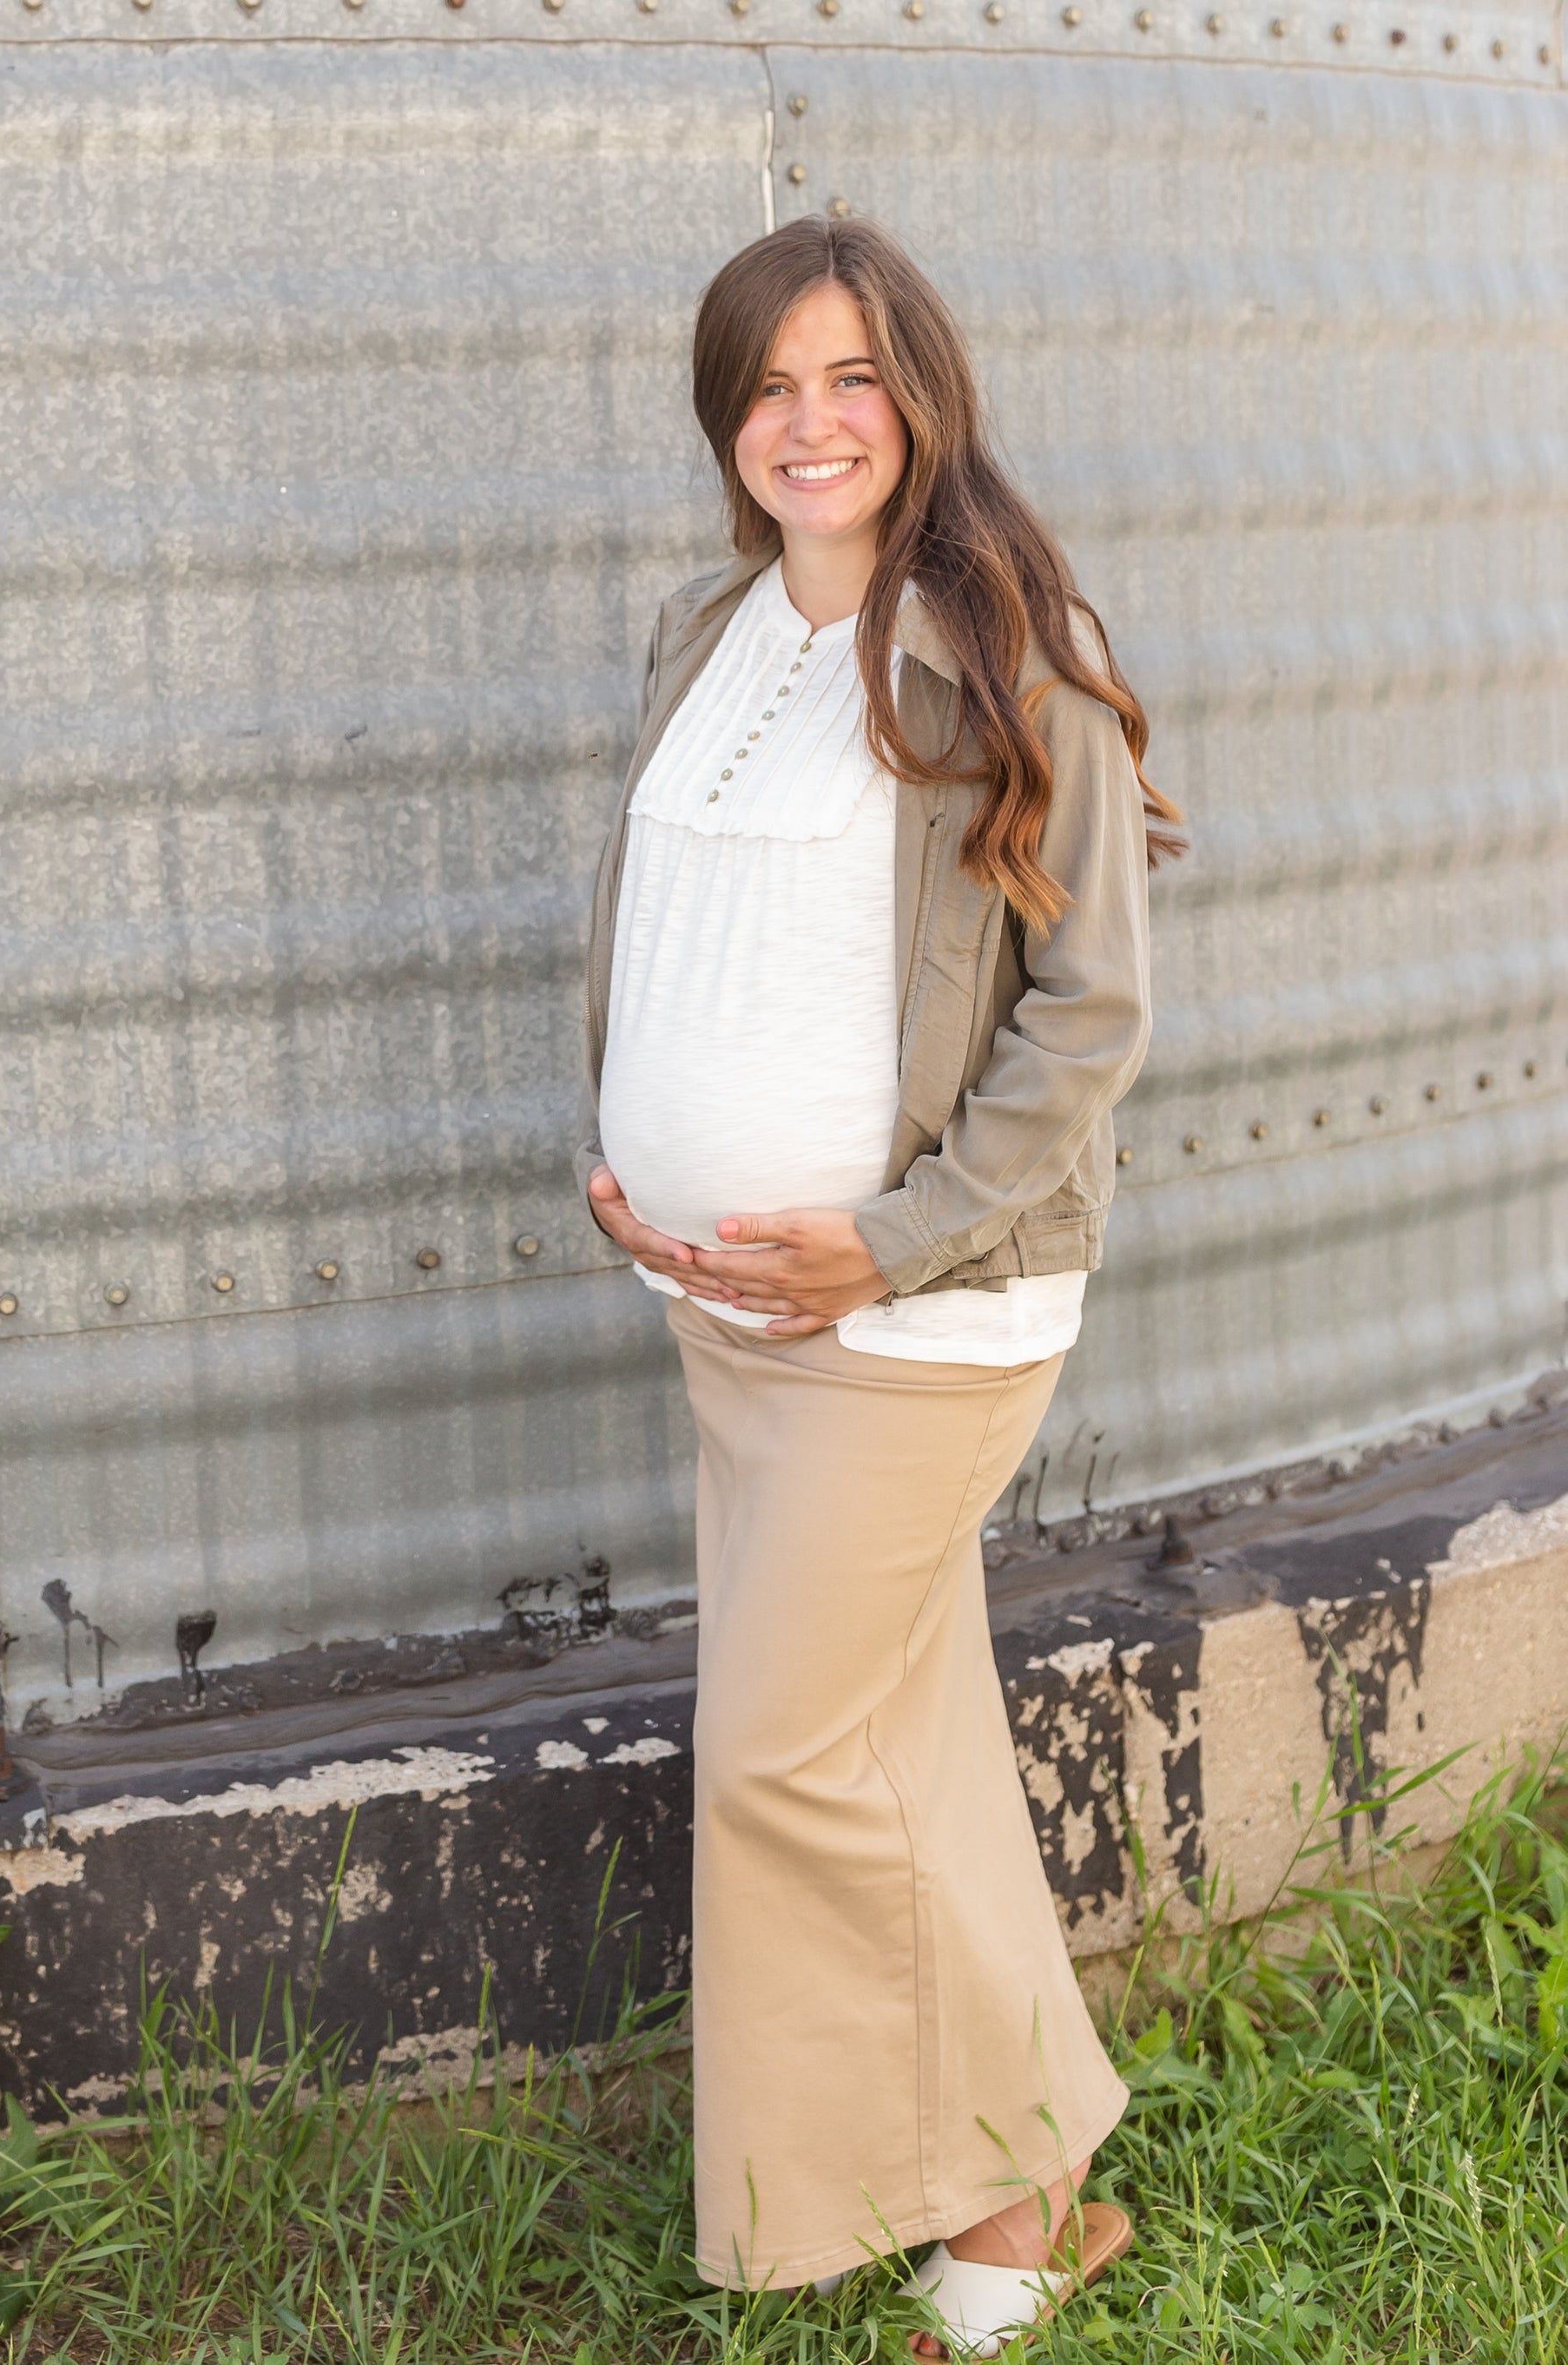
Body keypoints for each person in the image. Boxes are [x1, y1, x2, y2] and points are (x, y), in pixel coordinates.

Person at [573, 214, 1183, 2360]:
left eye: (847, 379)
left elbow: (1087, 1017)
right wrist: (627, 1157)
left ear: (917, 395)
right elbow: (672, 933)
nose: (805, 424)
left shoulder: (1011, 649)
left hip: (922, 1320)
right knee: (897, 1745)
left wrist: (892, 1238)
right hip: (732, 1316)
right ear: (724, 423)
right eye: (766, 387)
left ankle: (1019, 2185)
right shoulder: (702, 635)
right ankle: (1027, 2189)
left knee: (781, 1763)